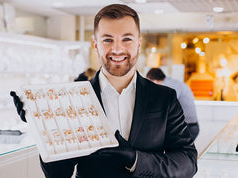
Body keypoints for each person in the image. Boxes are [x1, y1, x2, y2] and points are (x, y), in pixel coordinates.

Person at [11, 4, 197, 178]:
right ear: (95, 44)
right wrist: (43, 127)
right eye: (107, 39)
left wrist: (135, 159)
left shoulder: (164, 97)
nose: (117, 49)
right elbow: (57, 174)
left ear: (138, 44)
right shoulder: (73, 100)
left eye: (127, 39)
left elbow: (188, 162)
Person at [146, 67, 200, 141]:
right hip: (186, 126)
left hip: (188, 127)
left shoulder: (170, 85)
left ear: (155, 81)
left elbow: (165, 106)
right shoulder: (170, 83)